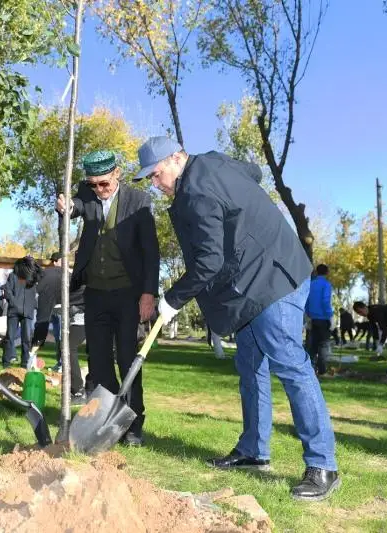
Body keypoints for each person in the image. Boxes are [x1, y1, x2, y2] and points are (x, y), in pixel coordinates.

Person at [136, 136, 339, 501]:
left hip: (273, 279)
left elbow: (208, 263)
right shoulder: (214, 161)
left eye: (155, 174)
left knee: (290, 364)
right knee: (250, 365)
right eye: (150, 178)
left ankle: (323, 464)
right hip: (250, 282)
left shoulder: (196, 193)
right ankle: (253, 451)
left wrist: (172, 300)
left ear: (176, 158)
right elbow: (255, 172)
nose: (155, 183)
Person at [56, 149, 159, 446]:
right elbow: (75, 206)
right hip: (96, 293)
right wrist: (64, 206)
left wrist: (148, 293)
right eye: (93, 184)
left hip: (129, 294)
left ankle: (135, 423)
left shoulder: (138, 201)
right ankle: (110, 419)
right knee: (99, 362)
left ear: (117, 174)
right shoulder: (87, 194)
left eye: (104, 183)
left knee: (128, 359)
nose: (99, 190)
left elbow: (151, 252)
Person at [1, 257, 42, 369]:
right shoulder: (13, 276)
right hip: (14, 311)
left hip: (27, 311)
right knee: (10, 336)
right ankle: (6, 362)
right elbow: (7, 290)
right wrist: (14, 302)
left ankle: (25, 364)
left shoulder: (34, 277)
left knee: (26, 339)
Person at [353, 301, 387, 382]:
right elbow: (374, 329)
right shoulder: (370, 314)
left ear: (364, 307)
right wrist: (376, 342)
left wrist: (381, 344)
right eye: (358, 313)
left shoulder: (376, 311)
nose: (361, 314)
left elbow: (384, 330)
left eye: (360, 312)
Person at [33, 252, 64, 369]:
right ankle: (60, 363)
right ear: (55, 261)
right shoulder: (64, 274)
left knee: (58, 337)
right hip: (60, 309)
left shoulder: (44, 273)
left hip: (52, 309)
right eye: (61, 260)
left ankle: (60, 363)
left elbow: (38, 289)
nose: (63, 263)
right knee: (60, 337)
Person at [305, 264, 334, 376]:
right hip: (323, 318)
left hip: (312, 319)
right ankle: (322, 370)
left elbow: (307, 302)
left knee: (312, 346)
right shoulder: (326, 284)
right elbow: (325, 301)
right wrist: (330, 316)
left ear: (316, 272)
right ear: (327, 272)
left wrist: (308, 315)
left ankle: (310, 369)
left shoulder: (311, 284)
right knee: (323, 345)